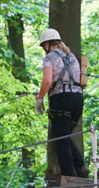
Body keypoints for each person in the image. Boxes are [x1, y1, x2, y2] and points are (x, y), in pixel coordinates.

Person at [34, 29, 88, 179]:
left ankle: (68, 174)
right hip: (78, 99)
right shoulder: (72, 57)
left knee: (60, 139)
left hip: (61, 99)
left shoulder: (49, 58)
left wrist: (40, 98)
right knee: (64, 135)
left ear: (47, 45)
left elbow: (47, 81)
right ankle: (81, 167)